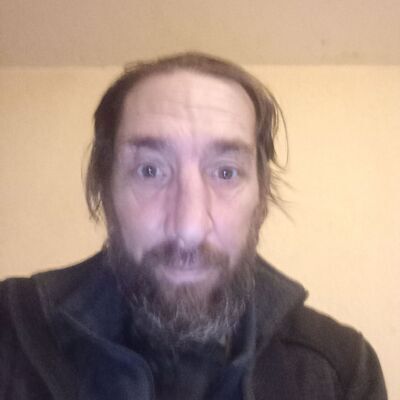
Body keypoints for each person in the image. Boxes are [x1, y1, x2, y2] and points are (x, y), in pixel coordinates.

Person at [0, 52, 386, 400]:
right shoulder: (9, 334)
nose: (189, 227)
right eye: (150, 171)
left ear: (262, 196)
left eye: (225, 172)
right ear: (105, 188)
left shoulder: (340, 370)